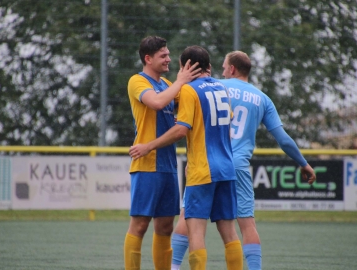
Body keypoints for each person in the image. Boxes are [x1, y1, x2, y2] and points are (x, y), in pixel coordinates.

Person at [170, 51, 317, 270]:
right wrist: (303, 163)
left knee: (189, 217)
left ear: (231, 69)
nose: (220, 70)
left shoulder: (215, 86)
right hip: (235, 166)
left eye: (223, 67)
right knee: (246, 225)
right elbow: (284, 140)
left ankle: (174, 266)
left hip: (207, 162)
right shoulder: (262, 99)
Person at [129, 45, 243, 270]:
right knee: (229, 232)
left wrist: (149, 146)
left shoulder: (189, 90)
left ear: (185, 67)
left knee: (196, 232)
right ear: (209, 67)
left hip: (202, 170)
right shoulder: (222, 89)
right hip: (227, 169)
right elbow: (228, 128)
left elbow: (181, 130)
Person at [124, 36, 201, 270]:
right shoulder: (137, 81)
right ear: (148, 59)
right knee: (139, 225)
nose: (169, 58)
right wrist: (180, 81)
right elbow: (157, 103)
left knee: (166, 226)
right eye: (163, 55)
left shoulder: (168, 84)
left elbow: (187, 100)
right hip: (147, 164)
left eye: (168, 54)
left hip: (168, 166)